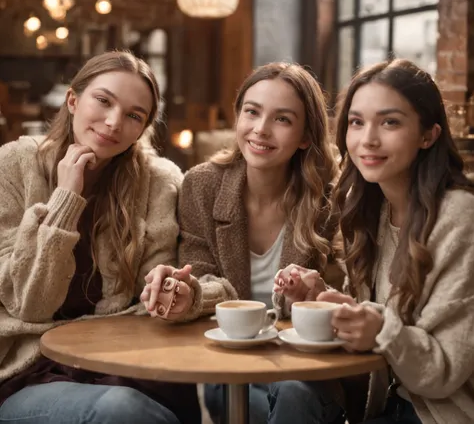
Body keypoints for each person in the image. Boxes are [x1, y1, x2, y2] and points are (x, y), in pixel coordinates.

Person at [0, 51, 202, 424]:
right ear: (73, 99)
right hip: (29, 373)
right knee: (122, 410)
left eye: (133, 116)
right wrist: (66, 200)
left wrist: (173, 293)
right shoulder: (14, 165)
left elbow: (150, 303)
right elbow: (29, 304)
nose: (113, 123)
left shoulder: (160, 182)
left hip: (124, 364)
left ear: (142, 129)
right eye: (104, 101)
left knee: (159, 401)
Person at [142, 62, 346, 424]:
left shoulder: (330, 197)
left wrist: (316, 294)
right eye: (252, 112)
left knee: (294, 393)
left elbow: (350, 291)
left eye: (282, 119)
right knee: (228, 395)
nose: (261, 130)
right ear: (238, 117)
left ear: (305, 135)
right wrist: (187, 292)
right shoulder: (202, 185)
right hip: (234, 366)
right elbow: (201, 275)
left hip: (307, 368)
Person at [274, 59, 474, 423]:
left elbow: (444, 370)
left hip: (442, 415)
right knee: (292, 392)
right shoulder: (375, 210)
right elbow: (388, 320)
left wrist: (379, 329)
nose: (368, 139)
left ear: (429, 134)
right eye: (356, 122)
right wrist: (324, 300)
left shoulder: (460, 217)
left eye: (390, 122)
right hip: (384, 406)